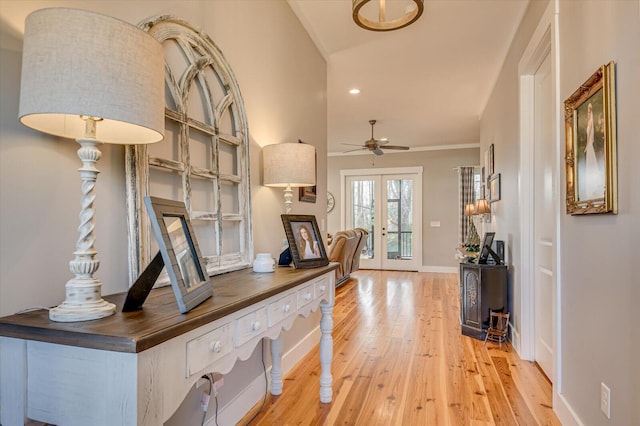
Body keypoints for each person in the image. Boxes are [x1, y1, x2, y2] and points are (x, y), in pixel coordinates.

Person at [583, 102, 602, 199]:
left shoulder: (590, 122)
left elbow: (589, 136)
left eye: (589, 112)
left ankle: (594, 186)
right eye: (587, 112)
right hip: (589, 144)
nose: (588, 114)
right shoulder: (589, 122)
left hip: (589, 144)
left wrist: (587, 145)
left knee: (591, 163)